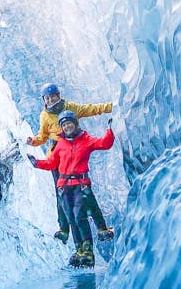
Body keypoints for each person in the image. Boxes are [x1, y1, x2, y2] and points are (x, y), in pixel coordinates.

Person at [29, 84, 117, 243]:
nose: (50, 100)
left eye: (52, 96)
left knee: (83, 193)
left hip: (74, 152)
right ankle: (63, 228)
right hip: (57, 156)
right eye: (47, 98)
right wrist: (33, 141)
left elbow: (90, 109)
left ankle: (99, 228)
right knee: (61, 195)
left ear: (58, 95)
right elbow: (43, 136)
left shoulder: (70, 107)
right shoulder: (44, 115)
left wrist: (111, 107)